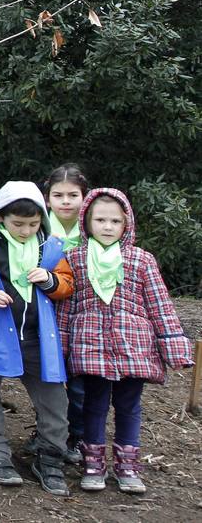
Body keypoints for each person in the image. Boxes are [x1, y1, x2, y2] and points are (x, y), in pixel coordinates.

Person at [61, 188, 194, 495]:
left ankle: (128, 464)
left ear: (127, 224)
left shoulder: (141, 260)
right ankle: (93, 463)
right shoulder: (76, 259)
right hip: (90, 347)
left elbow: (160, 305)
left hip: (134, 348)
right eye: (100, 220)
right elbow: (66, 307)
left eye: (115, 221)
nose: (107, 227)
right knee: (93, 404)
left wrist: (173, 346)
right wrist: (62, 349)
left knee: (129, 405)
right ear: (87, 221)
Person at [0, 181, 75, 496]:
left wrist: (50, 280)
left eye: (33, 224)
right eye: (18, 223)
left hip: (37, 338)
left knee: (53, 399)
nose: (25, 230)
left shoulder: (51, 248)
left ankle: (49, 457)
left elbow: (66, 283)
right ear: (0, 218)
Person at [43, 163, 91, 456]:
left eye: (72, 195)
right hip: (49, 313)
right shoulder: (39, 227)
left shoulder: (93, 229)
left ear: (84, 197)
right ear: (47, 197)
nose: (65, 201)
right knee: (49, 380)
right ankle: (48, 432)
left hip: (83, 316)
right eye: (58, 195)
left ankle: (78, 435)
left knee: (80, 384)